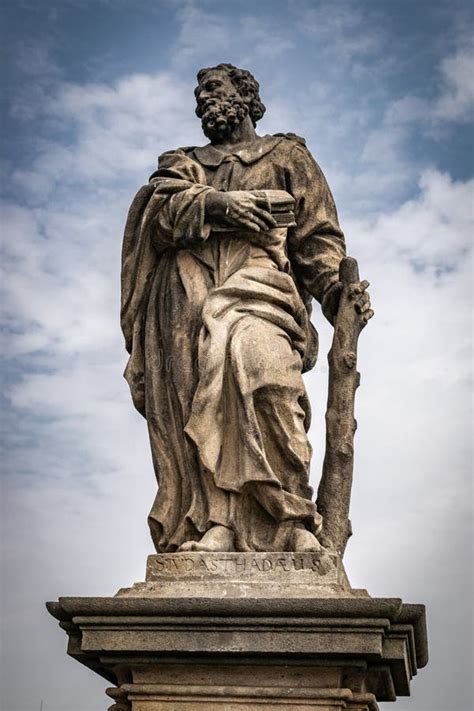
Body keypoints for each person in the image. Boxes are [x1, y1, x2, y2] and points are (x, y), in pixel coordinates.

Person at [121, 63, 371, 554]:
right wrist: (220, 206)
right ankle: (218, 523)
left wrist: (336, 294)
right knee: (201, 401)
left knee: (270, 378)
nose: (203, 99)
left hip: (261, 282)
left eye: (213, 88)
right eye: (198, 93)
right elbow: (157, 215)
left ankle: (293, 520)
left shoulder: (286, 155)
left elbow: (317, 238)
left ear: (246, 95)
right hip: (188, 293)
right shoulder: (184, 162)